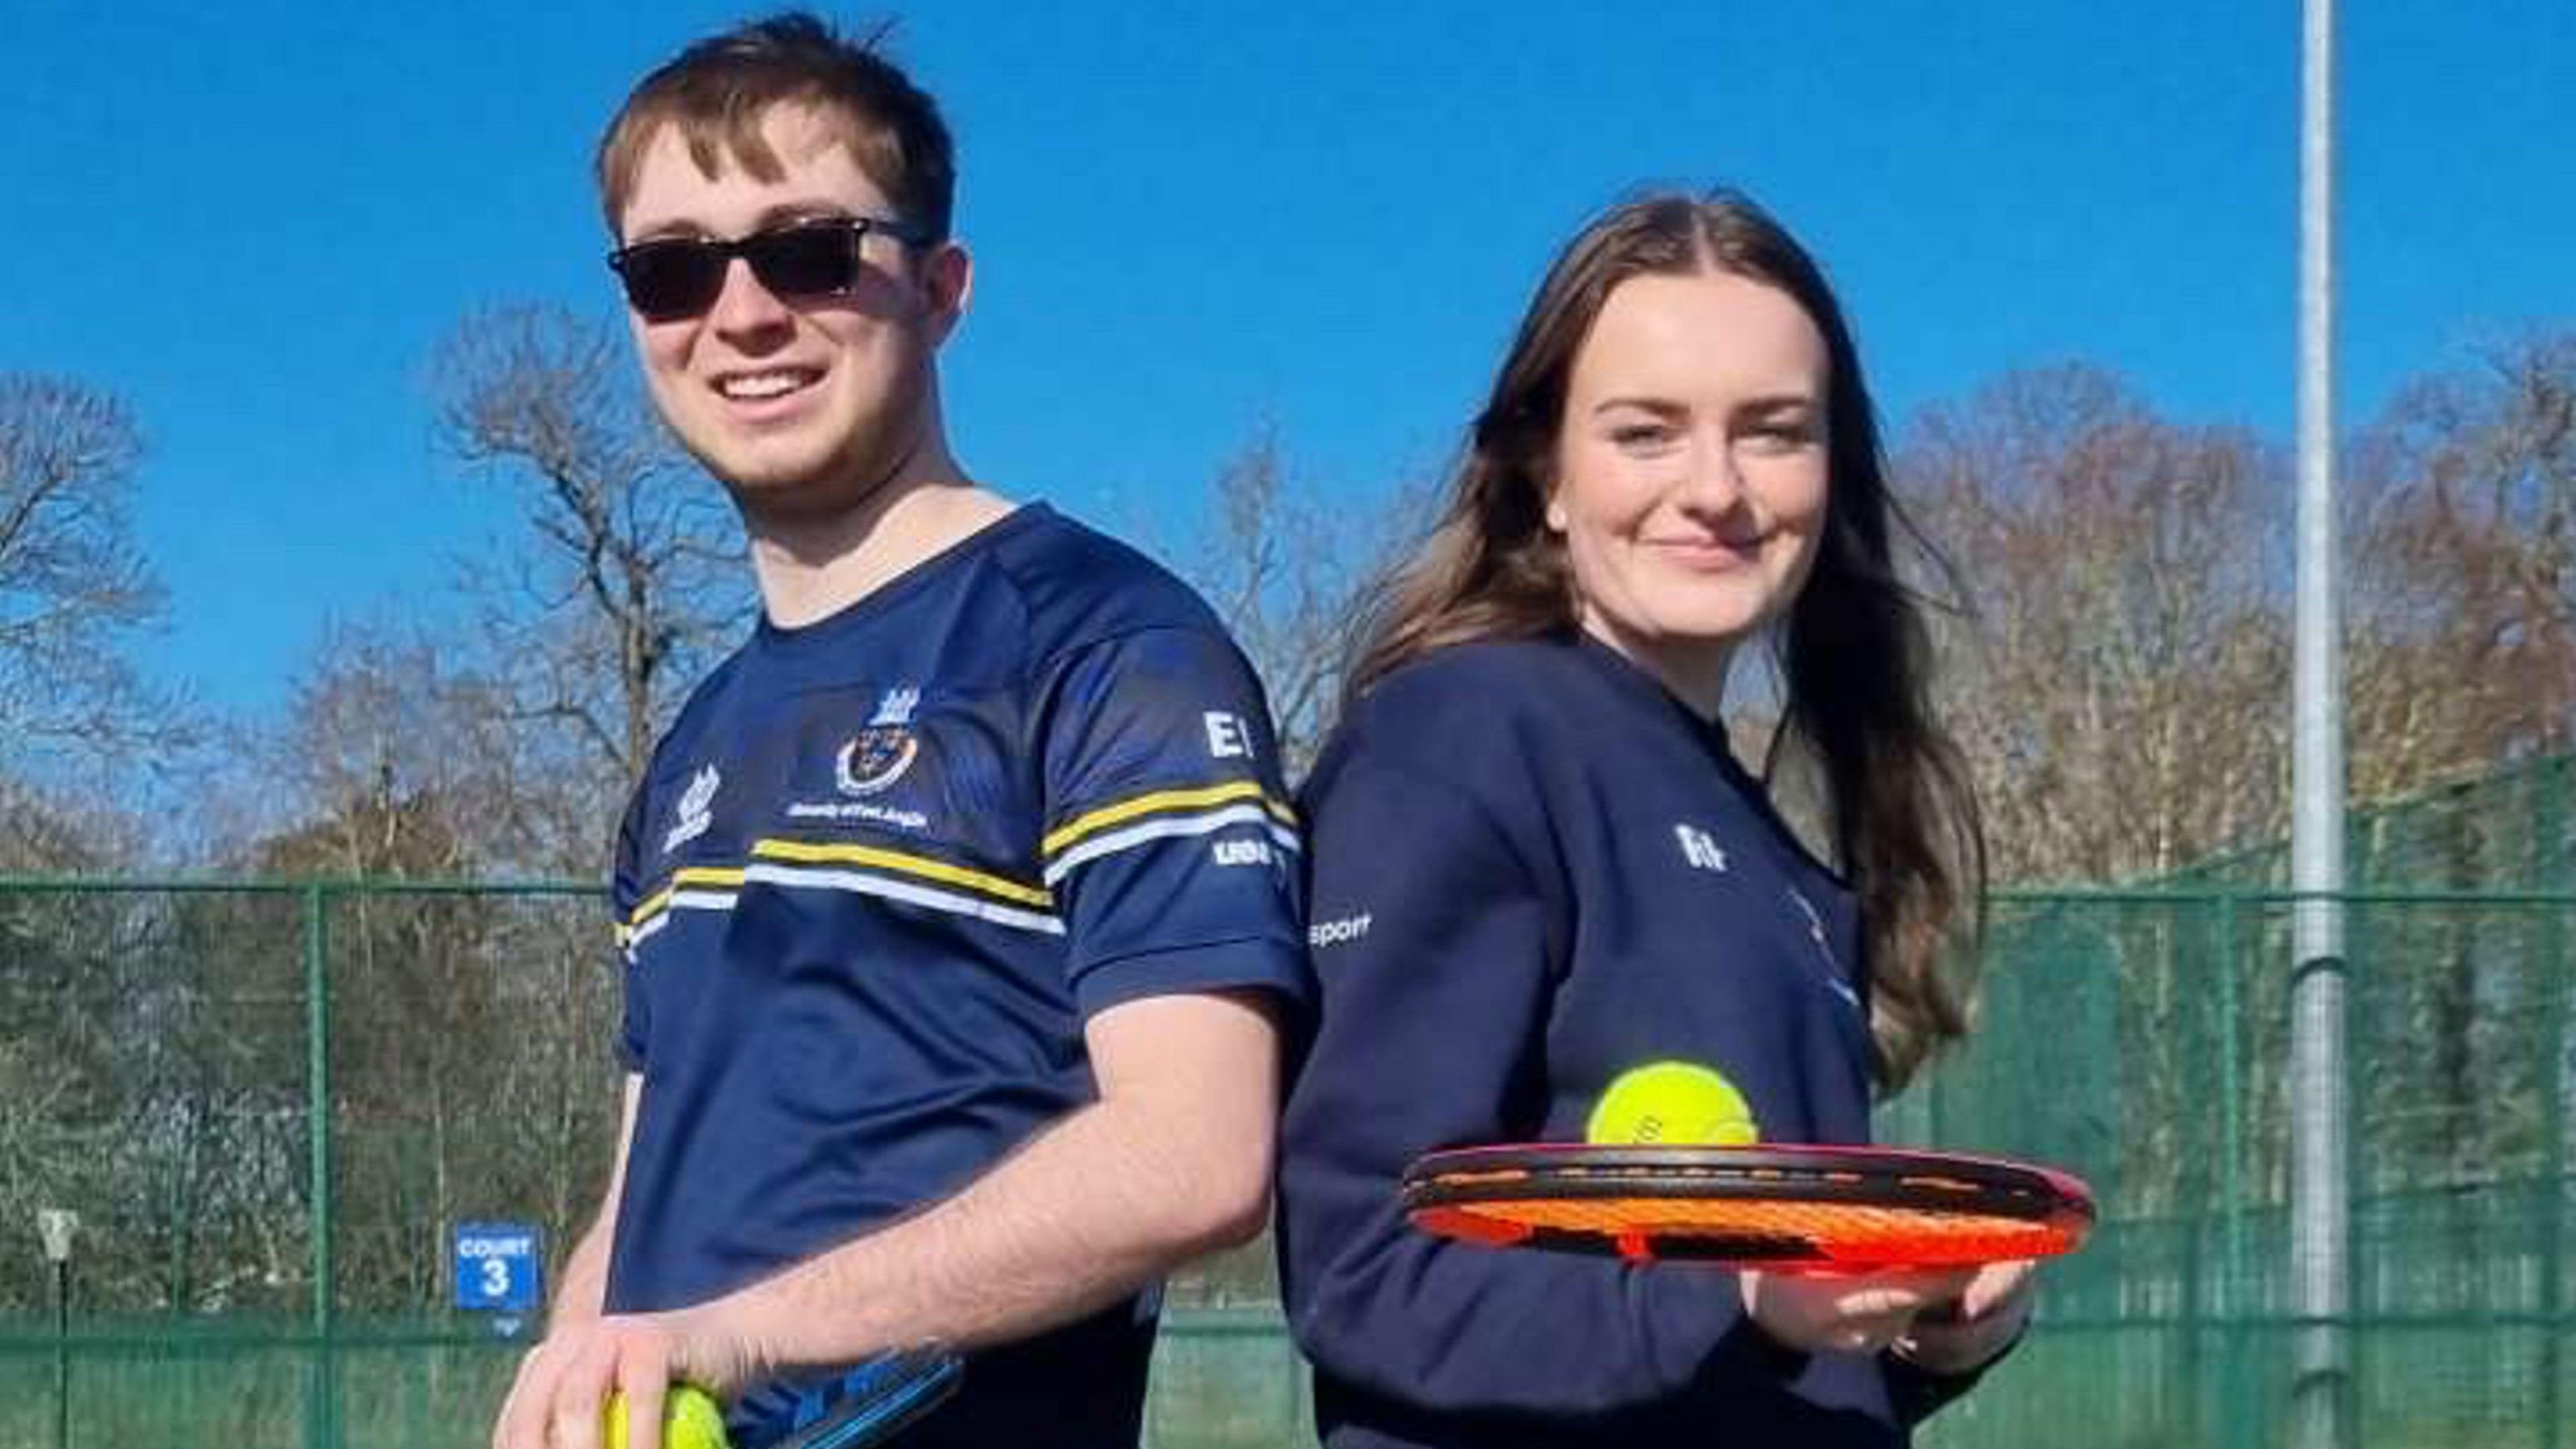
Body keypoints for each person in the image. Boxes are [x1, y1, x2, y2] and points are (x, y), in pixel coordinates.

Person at [492, 15, 1307, 1449]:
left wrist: (735, 1336)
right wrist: (582, 1350)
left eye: (808, 251)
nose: (739, 313)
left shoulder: (1110, 646)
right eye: (674, 270)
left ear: (941, 288)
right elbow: (647, 1182)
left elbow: (1196, 1151)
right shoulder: (691, 746)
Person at [1275, 192, 2033, 1448]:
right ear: (1545, 477)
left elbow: (1741, 1358)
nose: (1717, 488)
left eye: (1775, 432)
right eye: (1646, 433)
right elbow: (1369, 1275)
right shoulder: (1464, 737)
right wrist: (1741, 1291)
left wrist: (1911, 1333)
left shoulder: (1776, 849)